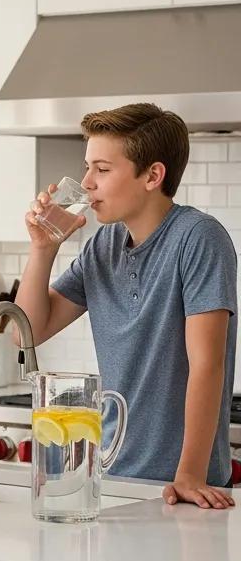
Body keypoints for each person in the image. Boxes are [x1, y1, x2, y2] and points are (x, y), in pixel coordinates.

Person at [19, 102, 237, 509]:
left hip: (180, 486)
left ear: (153, 175)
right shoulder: (104, 245)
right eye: (87, 168)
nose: (86, 183)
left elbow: (208, 364)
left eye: (102, 170)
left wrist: (189, 475)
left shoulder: (199, 238)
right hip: (113, 477)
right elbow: (25, 331)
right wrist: (42, 248)